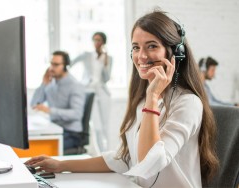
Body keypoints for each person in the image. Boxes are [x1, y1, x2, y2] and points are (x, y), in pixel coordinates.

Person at [26, 10, 219, 187]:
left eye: (151, 46)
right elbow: (125, 158)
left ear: (176, 53)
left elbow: (148, 163)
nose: (141, 56)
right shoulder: (144, 100)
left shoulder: (187, 103)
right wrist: (61, 165)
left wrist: (152, 97)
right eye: (136, 47)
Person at [31, 51, 86, 151]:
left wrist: (50, 110)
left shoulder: (75, 85)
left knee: (40, 149)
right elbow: (34, 104)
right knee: (31, 143)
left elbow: (77, 114)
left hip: (71, 133)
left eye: (56, 65)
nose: (51, 68)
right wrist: (43, 83)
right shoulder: (51, 83)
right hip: (54, 129)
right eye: (51, 64)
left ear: (65, 66)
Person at [70, 32, 112, 151]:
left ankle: (108, 152)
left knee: (105, 125)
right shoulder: (86, 55)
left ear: (103, 42)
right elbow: (70, 64)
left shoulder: (108, 58)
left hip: (102, 92)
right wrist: (78, 84)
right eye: (94, 40)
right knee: (96, 125)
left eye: (98, 40)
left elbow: (107, 78)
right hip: (89, 91)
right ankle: (100, 154)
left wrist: (105, 64)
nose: (96, 43)